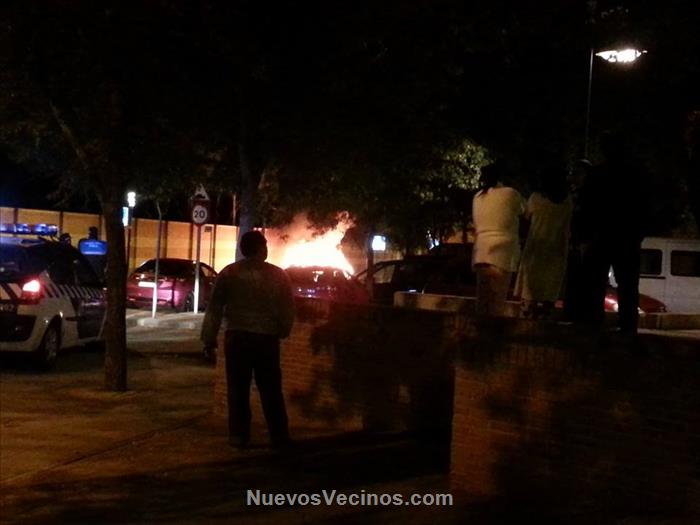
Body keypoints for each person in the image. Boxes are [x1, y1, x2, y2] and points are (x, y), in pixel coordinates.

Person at [201, 230, 295, 448]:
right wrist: (283, 329)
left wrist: (208, 339)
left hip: (237, 337)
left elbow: (214, 308)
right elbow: (287, 308)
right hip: (266, 339)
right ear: (261, 248)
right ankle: (279, 435)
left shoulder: (229, 273)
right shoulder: (278, 275)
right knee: (271, 389)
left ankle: (239, 435)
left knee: (237, 389)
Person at [578, 132, 651, 334]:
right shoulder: (636, 174)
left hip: (602, 236)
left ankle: (594, 321)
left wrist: (585, 234)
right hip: (626, 237)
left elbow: (586, 206)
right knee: (627, 284)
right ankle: (627, 325)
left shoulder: (597, 174)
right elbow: (645, 206)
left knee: (596, 282)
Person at [514, 167, 573, 319]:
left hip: (535, 251)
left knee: (529, 295)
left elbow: (525, 220)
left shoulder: (536, 199)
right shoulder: (567, 202)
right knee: (549, 296)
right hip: (557, 252)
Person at [471, 162, 525, 316]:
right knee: (497, 303)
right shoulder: (511, 194)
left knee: (482, 302)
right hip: (502, 254)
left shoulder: (478, 197)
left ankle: (480, 329)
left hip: (481, 253)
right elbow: (524, 211)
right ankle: (493, 330)